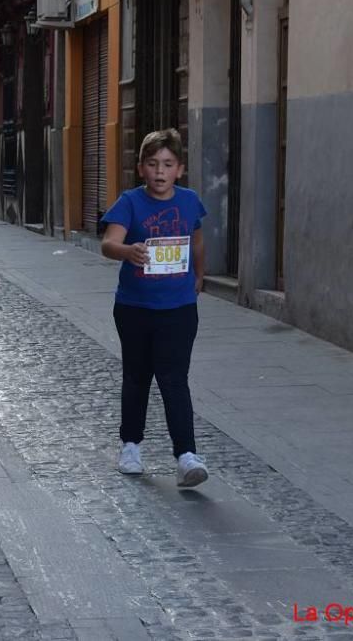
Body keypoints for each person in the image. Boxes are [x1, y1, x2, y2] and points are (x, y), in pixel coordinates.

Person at [99, 128, 209, 488]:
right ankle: (131, 445)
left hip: (178, 306)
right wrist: (128, 251)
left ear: (180, 169)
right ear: (140, 168)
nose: (160, 172)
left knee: (174, 377)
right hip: (135, 306)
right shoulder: (130, 202)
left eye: (167, 164)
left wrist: (199, 274)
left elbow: (196, 238)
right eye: (152, 164)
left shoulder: (190, 201)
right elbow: (108, 242)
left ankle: (186, 455)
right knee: (137, 375)